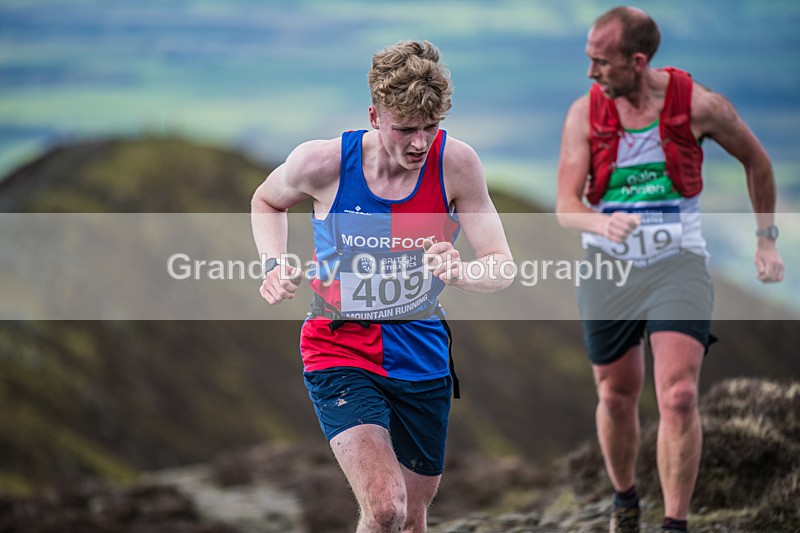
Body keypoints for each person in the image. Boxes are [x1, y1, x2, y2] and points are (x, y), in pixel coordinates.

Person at [251, 40, 513, 532]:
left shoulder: (456, 165)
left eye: (430, 128)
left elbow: (501, 265)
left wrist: (462, 273)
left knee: (411, 519)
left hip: (421, 351)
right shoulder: (323, 163)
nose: (420, 143)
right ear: (375, 115)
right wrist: (273, 262)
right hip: (338, 345)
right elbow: (266, 202)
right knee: (385, 508)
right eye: (406, 128)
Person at [555, 6, 784, 533]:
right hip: (609, 270)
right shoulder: (583, 114)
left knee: (679, 396)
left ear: (638, 62)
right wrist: (598, 223)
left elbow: (759, 162)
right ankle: (625, 499)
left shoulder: (700, 106)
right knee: (616, 397)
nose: (591, 73)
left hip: (677, 265)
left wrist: (766, 242)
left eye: (601, 62)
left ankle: (675, 525)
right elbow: (566, 205)